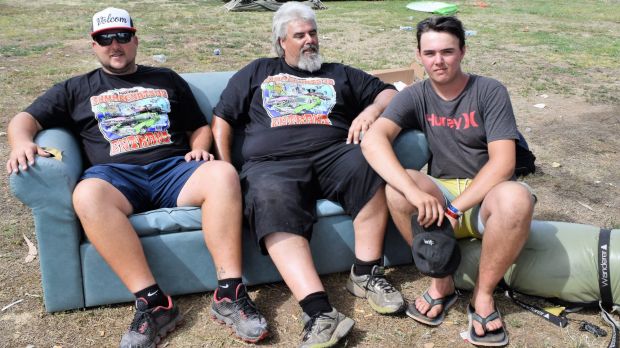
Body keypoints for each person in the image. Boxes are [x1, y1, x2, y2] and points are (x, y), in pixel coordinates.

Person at [6, 7, 268, 347]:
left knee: (222, 173)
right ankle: (154, 303)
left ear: (135, 39)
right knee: (87, 195)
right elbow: (25, 118)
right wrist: (21, 142)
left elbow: (199, 126)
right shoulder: (75, 88)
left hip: (173, 170)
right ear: (93, 45)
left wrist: (200, 147)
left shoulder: (166, 79)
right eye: (105, 39)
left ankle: (230, 294)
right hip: (116, 177)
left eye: (122, 36)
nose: (115, 45)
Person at [211, 2, 404, 346]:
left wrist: (372, 111)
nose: (309, 40)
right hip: (273, 163)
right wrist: (226, 166)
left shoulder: (339, 73)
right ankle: (319, 311)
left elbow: (389, 92)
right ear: (281, 42)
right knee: (269, 195)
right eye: (299, 35)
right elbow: (223, 117)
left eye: (312, 32)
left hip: (333, 153)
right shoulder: (258, 72)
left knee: (369, 164)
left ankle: (365, 273)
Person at [361, 16, 535, 347]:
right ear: (419, 55)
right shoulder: (416, 94)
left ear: (463, 52)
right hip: (441, 189)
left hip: (487, 196)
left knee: (518, 198)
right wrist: (414, 189)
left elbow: (503, 163)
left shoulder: (489, 90)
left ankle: (483, 297)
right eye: (430, 53)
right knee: (398, 190)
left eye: (447, 52)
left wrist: (457, 207)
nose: (438, 61)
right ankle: (442, 284)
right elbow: (373, 141)